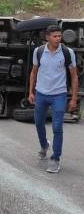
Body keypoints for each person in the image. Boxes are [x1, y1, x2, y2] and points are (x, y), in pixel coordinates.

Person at [28, 25, 78, 173]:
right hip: (41, 94)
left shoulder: (67, 52)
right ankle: (44, 145)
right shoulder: (39, 51)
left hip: (59, 95)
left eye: (59, 36)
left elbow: (74, 77)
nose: (58, 38)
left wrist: (73, 98)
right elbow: (33, 72)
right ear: (47, 37)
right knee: (38, 123)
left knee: (57, 128)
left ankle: (55, 158)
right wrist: (31, 92)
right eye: (55, 36)